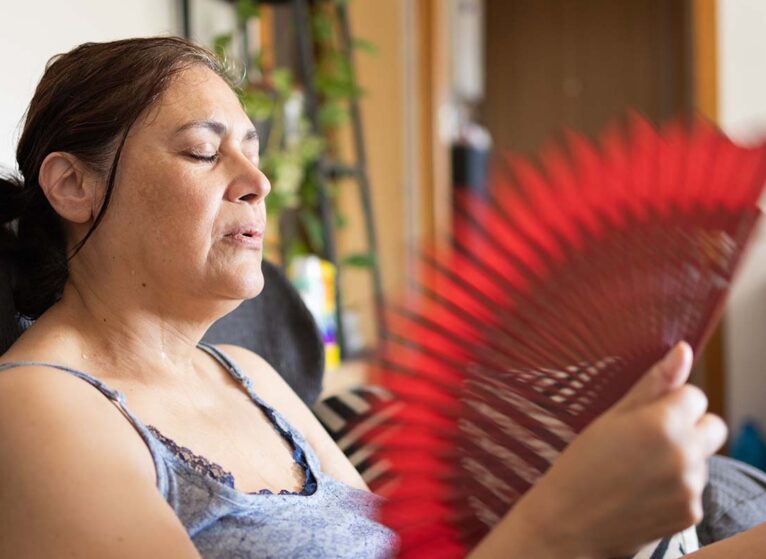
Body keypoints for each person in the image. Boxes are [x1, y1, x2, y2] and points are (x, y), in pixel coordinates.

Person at [0, 37, 761, 558]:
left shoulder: (251, 375)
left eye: (252, 150)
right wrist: (563, 524)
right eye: (204, 151)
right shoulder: (36, 411)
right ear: (73, 184)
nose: (258, 182)